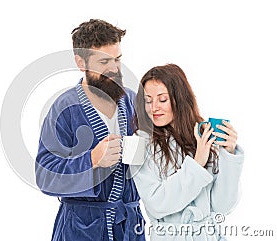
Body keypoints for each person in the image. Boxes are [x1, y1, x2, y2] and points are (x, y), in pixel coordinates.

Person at [35, 19, 146, 241]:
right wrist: (92, 160)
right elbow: (45, 177)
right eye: (104, 61)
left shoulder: (134, 101)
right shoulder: (64, 110)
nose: (114, 68)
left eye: (117, 59)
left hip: (130, 228)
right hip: (81, 229)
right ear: (81, 62)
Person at [132, 64, 244, 240]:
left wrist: (228, 155)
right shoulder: (138, 143)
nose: (153, 108)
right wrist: (197, 164)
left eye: (162, 100)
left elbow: (222, 206)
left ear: (179, 98)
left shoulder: (202, 135)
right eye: (148, 100)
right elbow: (156, 203)